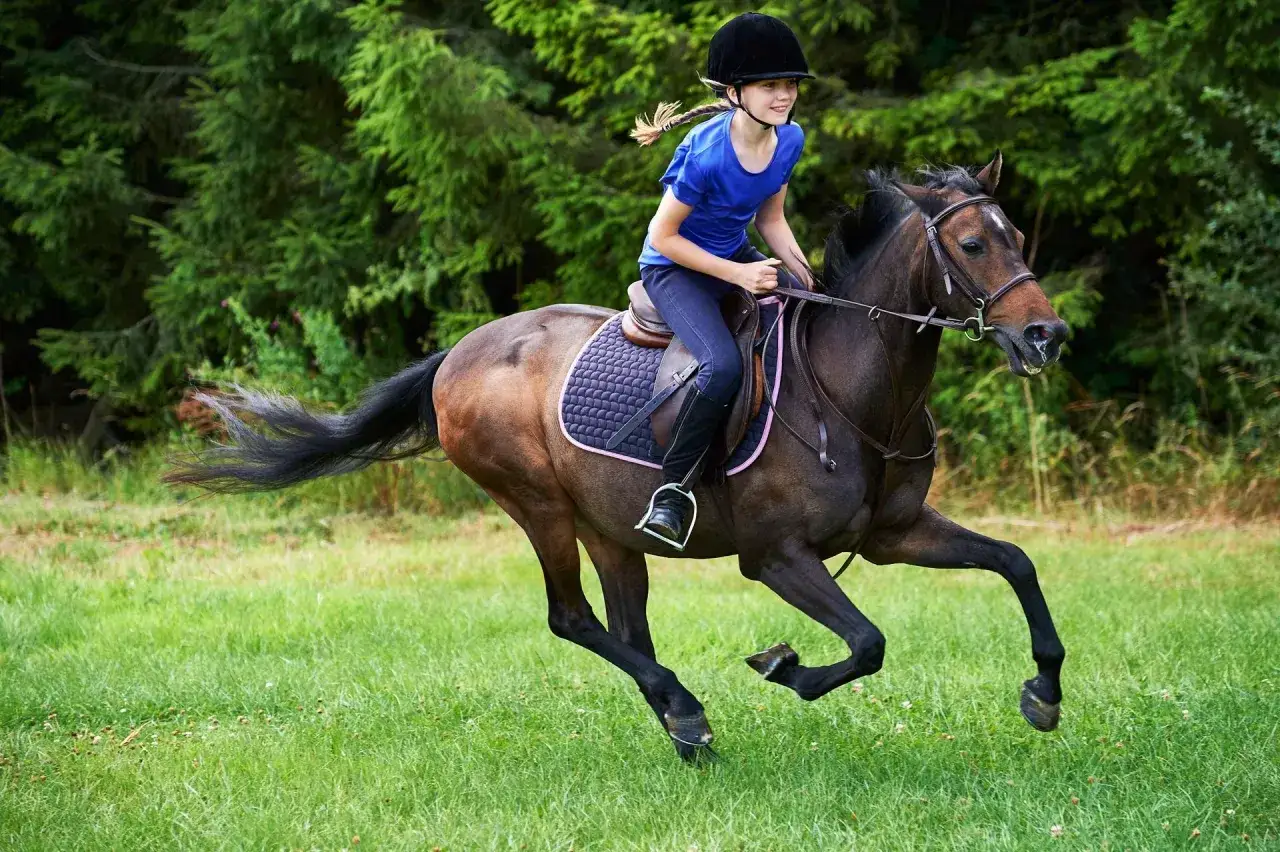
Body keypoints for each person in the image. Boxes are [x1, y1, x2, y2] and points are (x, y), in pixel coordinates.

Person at [630, 12, 815, 550]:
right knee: (721, 365)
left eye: (790, 84)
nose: (784, 96)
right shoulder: (708, 153)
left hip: (735, 254)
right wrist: (739, 273)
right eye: (769, 85)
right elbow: (663, 236)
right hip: (674, 270)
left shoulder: (790, 139)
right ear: (734, 92)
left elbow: (771, 220)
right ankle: (673, 492)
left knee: (813, 319)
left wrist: (808, 280)